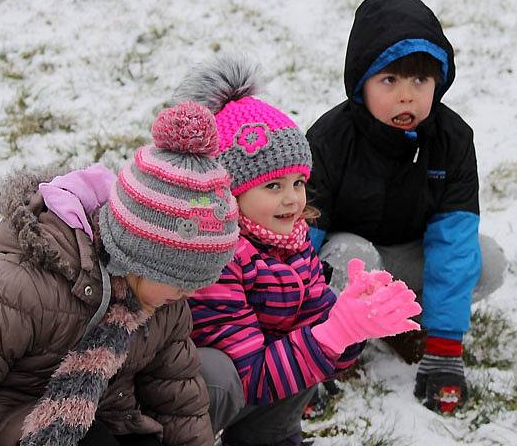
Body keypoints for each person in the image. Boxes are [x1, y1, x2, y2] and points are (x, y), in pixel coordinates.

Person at [177, 57, 421, 446]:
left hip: (264, 387)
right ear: (229, 192)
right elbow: (249, 374)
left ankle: (272, 437)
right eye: (273, 186)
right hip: (205, 393)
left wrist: (354, 321)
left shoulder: (292, 242)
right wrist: (331, 333)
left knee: (304, 338)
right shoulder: (219, 257)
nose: (292, 199)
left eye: (298, 182)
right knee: (300, 345)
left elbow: (318, 323)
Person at [305, 0, 507, 415]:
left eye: (420, 82)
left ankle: (409, 327)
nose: (406, 97)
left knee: (484, 260)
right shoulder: (330, 138)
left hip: (409, 255)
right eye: (390, 81)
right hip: (351, 257)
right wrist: (298, 343)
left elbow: (452, 239)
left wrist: (446, 347)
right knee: (351, 257)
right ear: (362, 82)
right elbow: (302, 238)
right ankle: (330, 347)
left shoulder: (452, 140)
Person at [0, 101, 240, 446]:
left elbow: (178, 397)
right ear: (139, 258)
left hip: (109, 411)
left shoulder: (164, 304)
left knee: (209, 379)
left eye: (196, 284)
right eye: (181, 281)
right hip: (15, 417)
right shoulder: (28, 286)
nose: (188, 294)